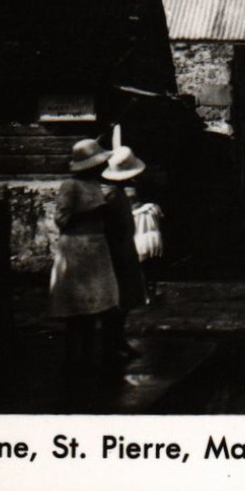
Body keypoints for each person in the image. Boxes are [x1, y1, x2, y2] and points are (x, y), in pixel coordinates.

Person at [49, 139, 119, 376]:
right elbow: (62, 220)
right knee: (77, 309)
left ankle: (87, 358)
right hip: (77, 249)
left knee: (94, 307)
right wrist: (94, 213)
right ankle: (72, 359)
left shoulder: (95, 185)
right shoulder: (71, 186)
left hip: (96, 249)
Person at [99, 145, 150, 367]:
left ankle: (117, 341)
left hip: (124, 247)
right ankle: (111, 343)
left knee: (126, 298)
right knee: (117, 301)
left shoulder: (118, 194)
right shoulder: (110, 196)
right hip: (116, 251)